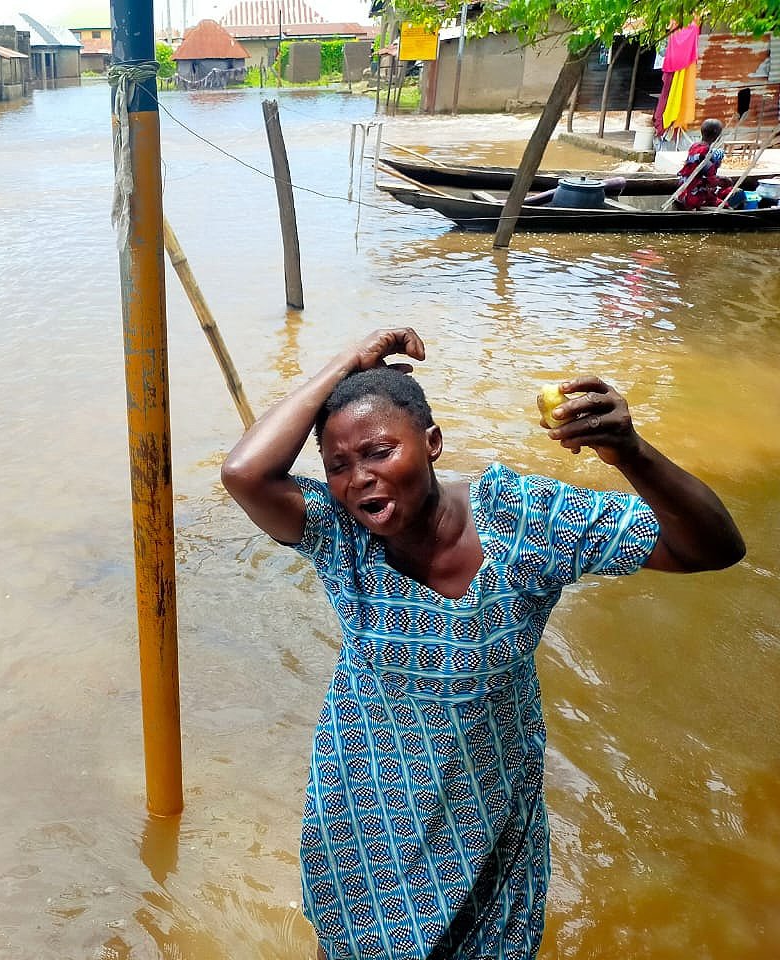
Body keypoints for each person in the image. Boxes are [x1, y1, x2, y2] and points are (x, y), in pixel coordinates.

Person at [220, 328, 745, 960]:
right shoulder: (340, 537)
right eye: (338, 466)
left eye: (381, 452)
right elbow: (245, 472)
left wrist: (630, 452)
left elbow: (712, 548)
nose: (360, 479)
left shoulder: (525, 521)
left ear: (433, 444)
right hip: (364, 816)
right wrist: (344, 363)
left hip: (486, 815)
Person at [674, 118, 743, 210]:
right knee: (734, 195)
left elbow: (699, 172)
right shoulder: (706, 153)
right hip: (693, 196)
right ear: (717, 135)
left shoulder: (695, 147)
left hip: (684, 191)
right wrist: (723, 181)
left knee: (725, 191)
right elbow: (711, 180)